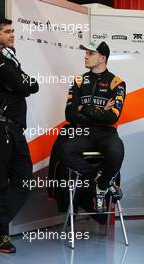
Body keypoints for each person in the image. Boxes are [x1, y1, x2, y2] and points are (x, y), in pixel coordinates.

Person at [0, 19, 39, 255]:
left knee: (24, 179)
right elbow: (22, 85)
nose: (12, 34)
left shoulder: (9, 59)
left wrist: (20, 84)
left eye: (13, 31)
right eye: (7, 31)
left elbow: (32, 85)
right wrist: (18, 85)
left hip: (14, 129)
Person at [59, 41, 125, 213]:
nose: (85, 56)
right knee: (64, 151)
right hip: (84, 132)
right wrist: (99, 111)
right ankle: (101, 181)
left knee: (117, 153)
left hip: (107, 133)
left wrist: (85, 108)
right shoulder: (79, 81)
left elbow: (112, 117)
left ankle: (102, 187)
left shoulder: (117, 83)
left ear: (102, 58)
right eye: (86, 53)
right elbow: (69, 114)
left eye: (90, 53)